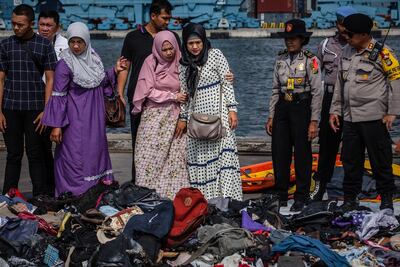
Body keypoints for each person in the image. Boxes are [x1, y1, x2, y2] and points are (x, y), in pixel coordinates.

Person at [42, 22, 127, 197]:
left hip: (94, 120)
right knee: (73, 155)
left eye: (79, 42)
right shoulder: (65, 64)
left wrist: (115, 70)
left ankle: (95, 193)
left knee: (95, 152)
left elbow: (101, 83)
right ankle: (73, 194)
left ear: (86, 41)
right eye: (72, 41)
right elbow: (58, 96)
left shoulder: (93, 58)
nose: (75, 46)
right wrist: (57, 125)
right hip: (74, 120)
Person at [330, 13, 400, 212]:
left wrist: (392, 112)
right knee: (350, 162)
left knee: (381, 162)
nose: (346, 37)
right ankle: (350, 199)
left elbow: (396, 82)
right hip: (350, 118)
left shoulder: (383, 53)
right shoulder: (346, 51)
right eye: (344, 33)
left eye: (350, 34)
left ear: (363, 34)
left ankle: (386, 199)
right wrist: (335, 110)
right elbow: (339, 84)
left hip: (374, 118)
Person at [179, 23, 242, 201]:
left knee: (224, 159)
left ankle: (227, 200)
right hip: (196, 119)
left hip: (219, 115)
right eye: (190, 43)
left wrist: (232, 110)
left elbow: (227, 83)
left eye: (198, 42)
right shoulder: (183, 64)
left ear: (204, 41)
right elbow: (184, 95)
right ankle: (205, 201)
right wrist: (183, 118)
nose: (195, 47)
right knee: (200, 160)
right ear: (185, 44)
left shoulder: (215, 55)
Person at [265, 19, 322, 212]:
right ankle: (280, 194)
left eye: (294, 38)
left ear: (302, 39)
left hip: (301, 106)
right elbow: (275, 89)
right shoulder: (280, 58)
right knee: (279, 152)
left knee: (302, 154)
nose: (289, 42)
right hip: (283, 106)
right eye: (287, 38)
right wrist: (271, 115)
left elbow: (317, 92)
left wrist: (314, 120)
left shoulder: (310, 59)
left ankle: (302, 195)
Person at [0, 4, 57, 196]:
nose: (16, 28)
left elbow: (51, 79)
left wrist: (47, 110)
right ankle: (8, 196)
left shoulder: (44, 45)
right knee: (13, 155)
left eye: (20, 25)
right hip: (10, 108)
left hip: (35, 109)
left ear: (31, 24)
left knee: (36, 154)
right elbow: (0, 79)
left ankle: (40, 196)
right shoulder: (5, 45)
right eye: (13, 24)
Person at [118, 0, 177, 184]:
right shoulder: (132, 37)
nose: (167, 22)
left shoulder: (172, 37)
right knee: (140, 144)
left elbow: (182, 65)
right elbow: (124, 66)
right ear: (153, 16)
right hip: (140, 99)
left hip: (169, 101)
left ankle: (164, 183)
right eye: (164, 18)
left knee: (169, 144)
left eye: (169, 18)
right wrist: (120, 92)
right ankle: (139, 183)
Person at [132, 31, 189, 198]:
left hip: (175, 117)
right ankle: (146, 195)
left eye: (171, 48)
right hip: (154, 117)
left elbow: (188, 87)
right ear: (157, 49)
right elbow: (147, 90)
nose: (169, 53)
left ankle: (172, 197)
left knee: (176, 159)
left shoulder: (182, 62)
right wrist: (172, 96)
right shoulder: (150, 62)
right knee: (147, 157)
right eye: (164, 50)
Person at [310, 6, 357, 201]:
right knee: (328, 147)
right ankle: (321, 186)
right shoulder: (325, 46)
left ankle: (351, 191)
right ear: (337, 24)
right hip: (330, 100)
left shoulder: (361, 45)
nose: (345, 29)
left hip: (353, 100)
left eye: (348, 25)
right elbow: (314, 74)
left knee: (353, 147)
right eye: (342, 24)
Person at [38, 9, 69, 196]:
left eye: (49, 25)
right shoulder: (32, 43)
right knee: (41, 149)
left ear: (57, 27)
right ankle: (46, 188)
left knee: (64, 148)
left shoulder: (66, 46)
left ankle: (63, 187)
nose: (44, 29)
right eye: (41, 24)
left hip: (61, 102)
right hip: (38, 101)